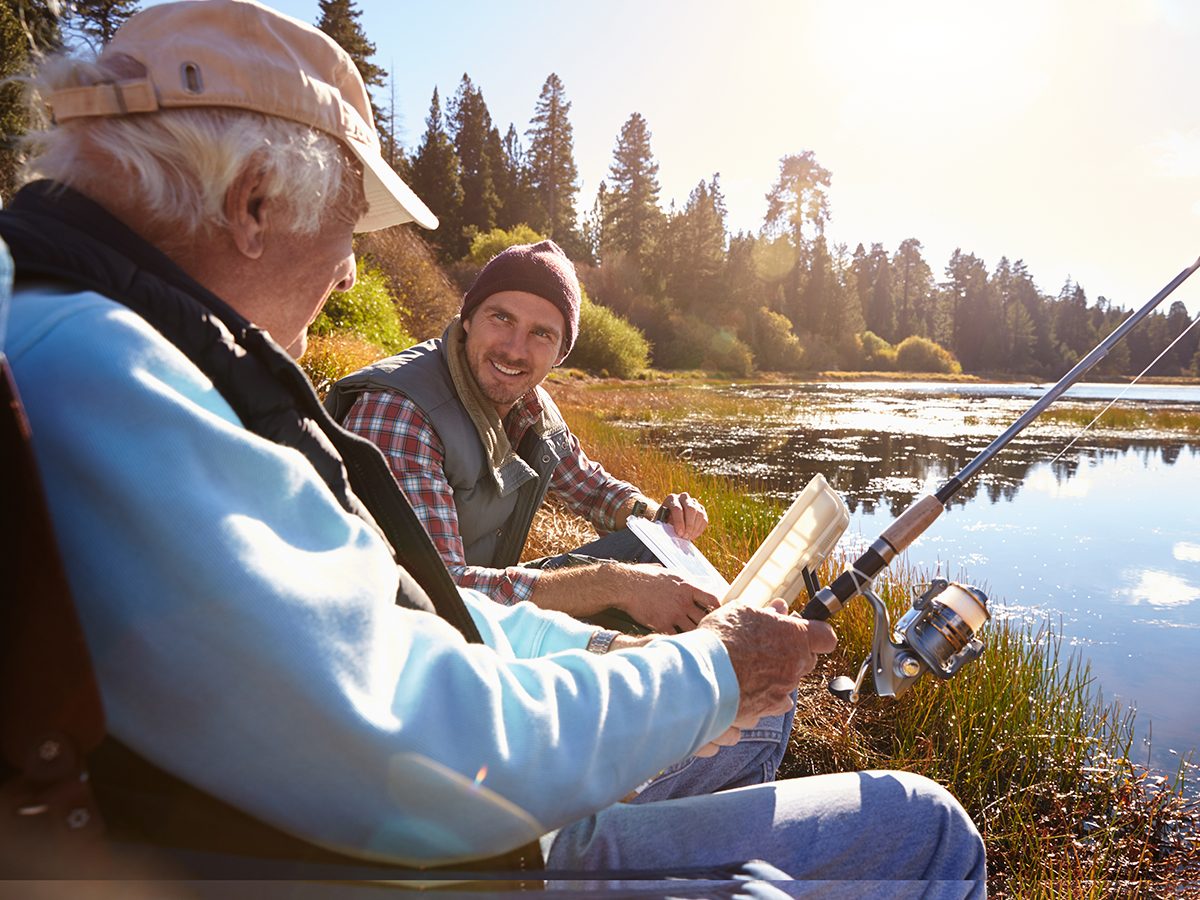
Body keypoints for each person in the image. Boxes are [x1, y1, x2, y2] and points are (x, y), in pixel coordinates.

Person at [0, 0, 986, 892]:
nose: (350, 276)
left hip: (425, 813)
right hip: (458, 854)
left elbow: (399, 611)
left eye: (545, 335)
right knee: (926, 829)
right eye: (350, 231)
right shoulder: (117, 373)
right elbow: (411, 736)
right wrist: (707, 666)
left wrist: (625, 620)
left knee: (750, 726)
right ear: (254, 203)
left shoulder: (110, 341)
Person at [326, 242, 717, 636]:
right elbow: (436, 594)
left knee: (656, 549)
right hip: (403, 630)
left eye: (541, 333)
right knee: (632, 584)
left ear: (560, 353)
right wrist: (614, 585)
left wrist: (662, 517)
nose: (515, 350)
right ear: (467, 319)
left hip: (476, 608)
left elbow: (594, 491)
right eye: (501, 318)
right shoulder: (400, 411)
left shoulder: (530, 405)